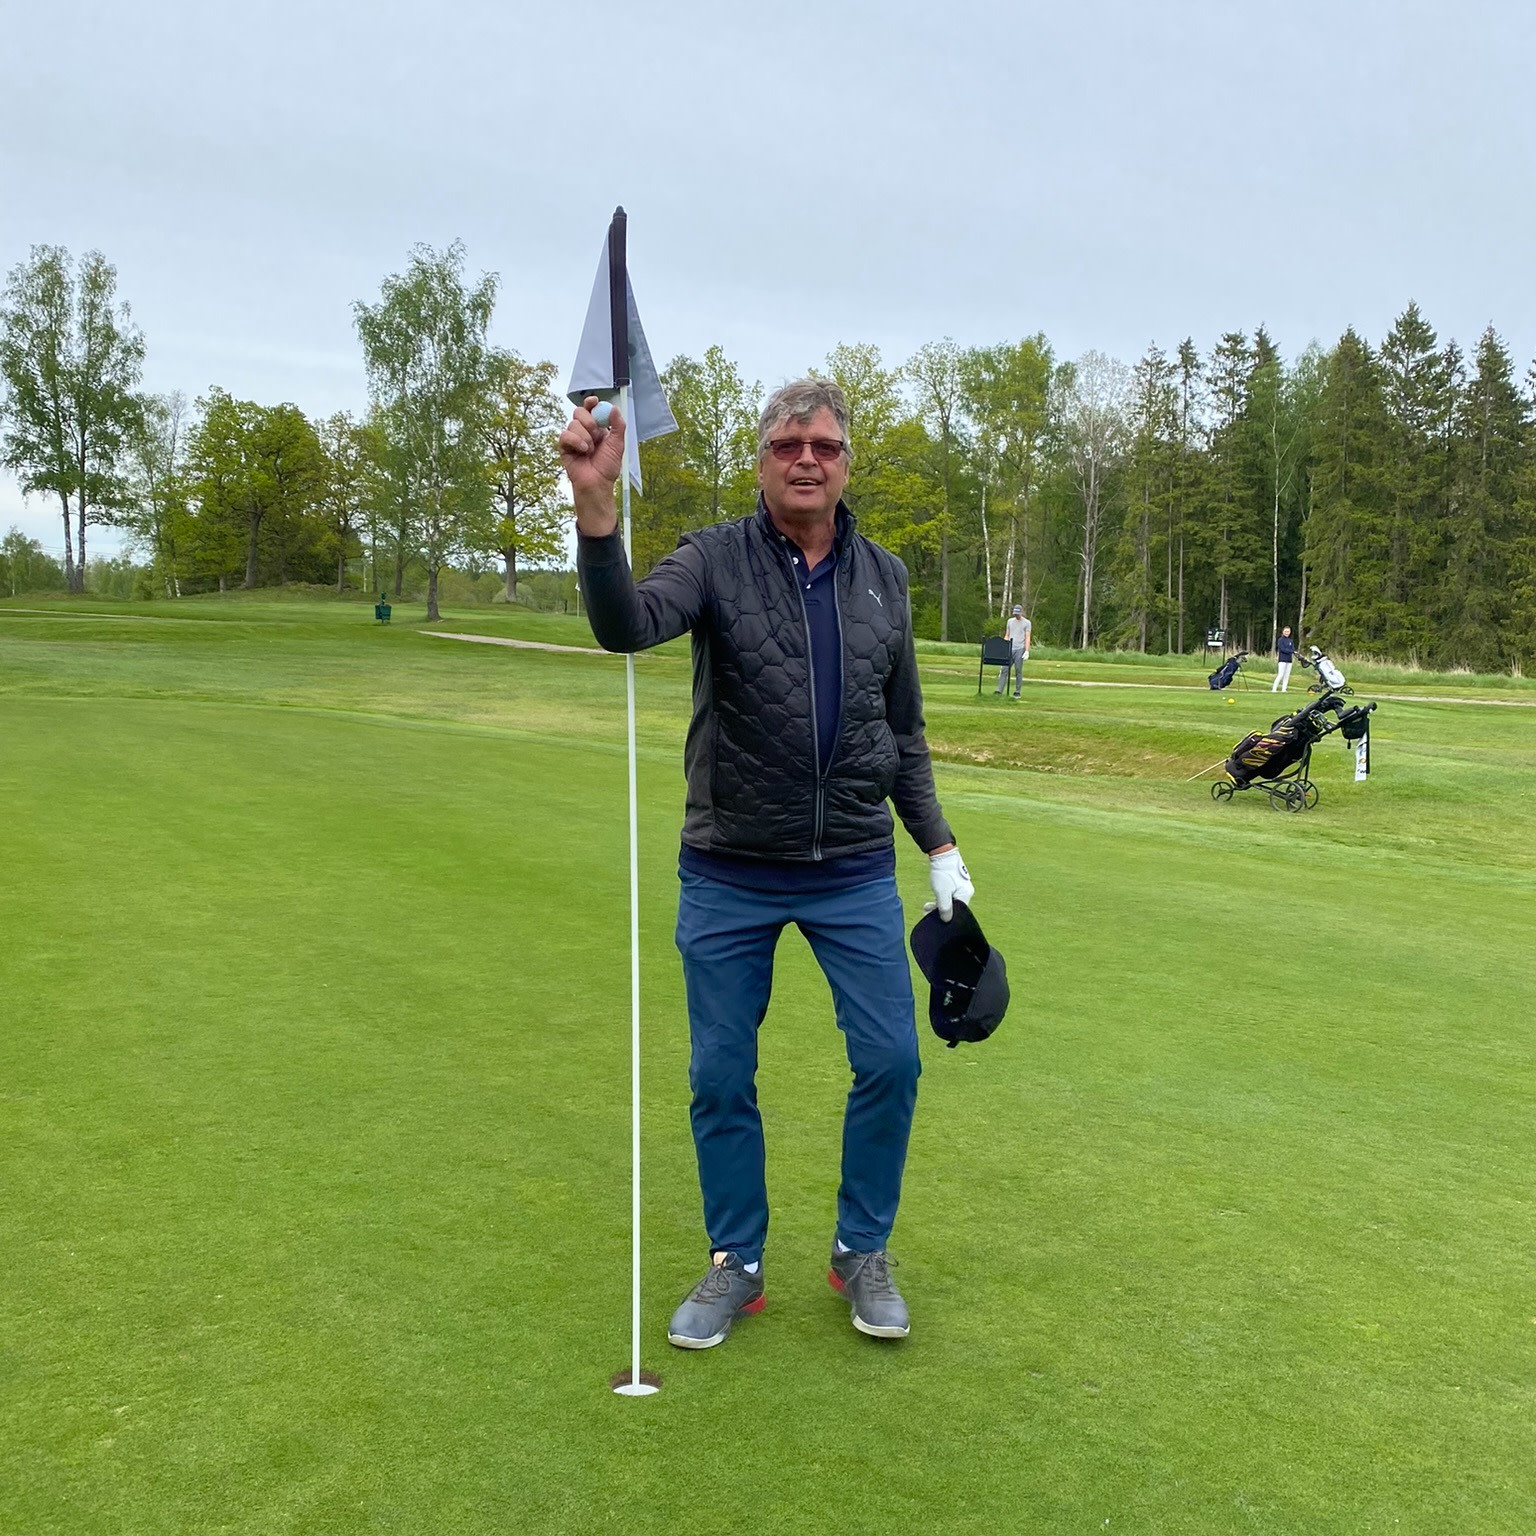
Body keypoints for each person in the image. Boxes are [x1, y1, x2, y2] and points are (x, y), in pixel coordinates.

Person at [560, 379, 972, 1350]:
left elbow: (902, 731)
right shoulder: (714, 558)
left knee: (892, 1060)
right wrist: (596, 508)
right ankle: (734, 1261)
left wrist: (940, 845)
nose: (807, 458)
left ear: (845, 462)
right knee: (719, 1073)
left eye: (825, 445)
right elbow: (625, 625)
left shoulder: (887, 578)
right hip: (730, 868)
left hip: (854, 869)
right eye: (789, 443)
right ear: (762, 460)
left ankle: (860, 1251)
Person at [995, 604, 1031, 698]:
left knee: (1018, 670)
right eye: (1015, 613)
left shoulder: (1027, 623)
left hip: (1020, 648)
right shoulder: (1010, 621)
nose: (1016, 615)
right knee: (1004, 670)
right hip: (1010, 648)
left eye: (1018, 613)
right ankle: (999, 690)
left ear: (1021, 612)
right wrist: (1004, 647)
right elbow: (1007, 635)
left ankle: (1017, 691)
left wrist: (1026, 651)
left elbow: (1027, 637)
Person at [1272, 626, 1296, 692]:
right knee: (1281, 674)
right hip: (1282, 660)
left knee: (1287, 675)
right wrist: (1290, 651)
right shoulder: (1280, 640)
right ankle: (1274, 689)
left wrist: (1291, 651)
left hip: (1289, 660)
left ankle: (1284, 689)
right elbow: (1282, 649)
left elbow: (1293, 649)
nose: (1287, 633)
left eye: (1288, 631)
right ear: (1283, 632)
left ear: (1290, 632)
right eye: (1285, 631)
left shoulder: (1290, 641)